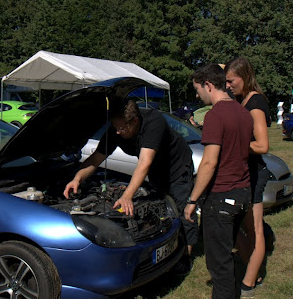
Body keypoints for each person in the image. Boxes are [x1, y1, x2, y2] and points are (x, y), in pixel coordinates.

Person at [63, 98, 198, 272]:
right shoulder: (116, 131)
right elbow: (96, 159)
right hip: (157, 171)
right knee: (161, 210)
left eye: (121, 128)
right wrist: (77, 178)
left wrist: (127, 196)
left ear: (134, 121)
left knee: (182, 210)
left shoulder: (154, 122)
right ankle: (162, 249)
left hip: (177, 167)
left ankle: (185, 257)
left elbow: (144, 162)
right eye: (115, 127)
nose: (117, 132)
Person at [184, 63, 253, 299]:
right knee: (226, 257)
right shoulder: (243, 112)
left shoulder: (215, 115)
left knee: (219, 262)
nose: (197, 95)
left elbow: (209, 162)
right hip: (242, 193)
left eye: (197, 89)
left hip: (222, 197)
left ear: (208, 85)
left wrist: (192, 199)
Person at [225, 57, 270, 298]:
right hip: (242, 172)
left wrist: (234, 143)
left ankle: (249, 283)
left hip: (254, 173)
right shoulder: (242, 100)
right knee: (241, 226)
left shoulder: (255, 103)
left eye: (231, 81)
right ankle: (254, 269)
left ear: (245, 77)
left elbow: (262, 145)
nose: (228, 85)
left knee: (255, 229)